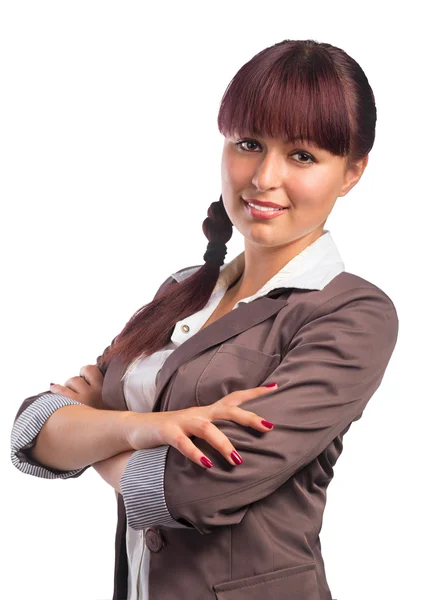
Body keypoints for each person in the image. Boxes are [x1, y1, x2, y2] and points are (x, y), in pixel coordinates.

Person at [10, 38, 399, 600]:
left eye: (303, 156)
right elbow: (31, 430)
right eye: (248, 143)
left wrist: (90, 436)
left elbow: (194, 492)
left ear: (353, 171)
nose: (264, 177)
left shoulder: (351, 315)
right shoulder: (182, 290)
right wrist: (145, 428)